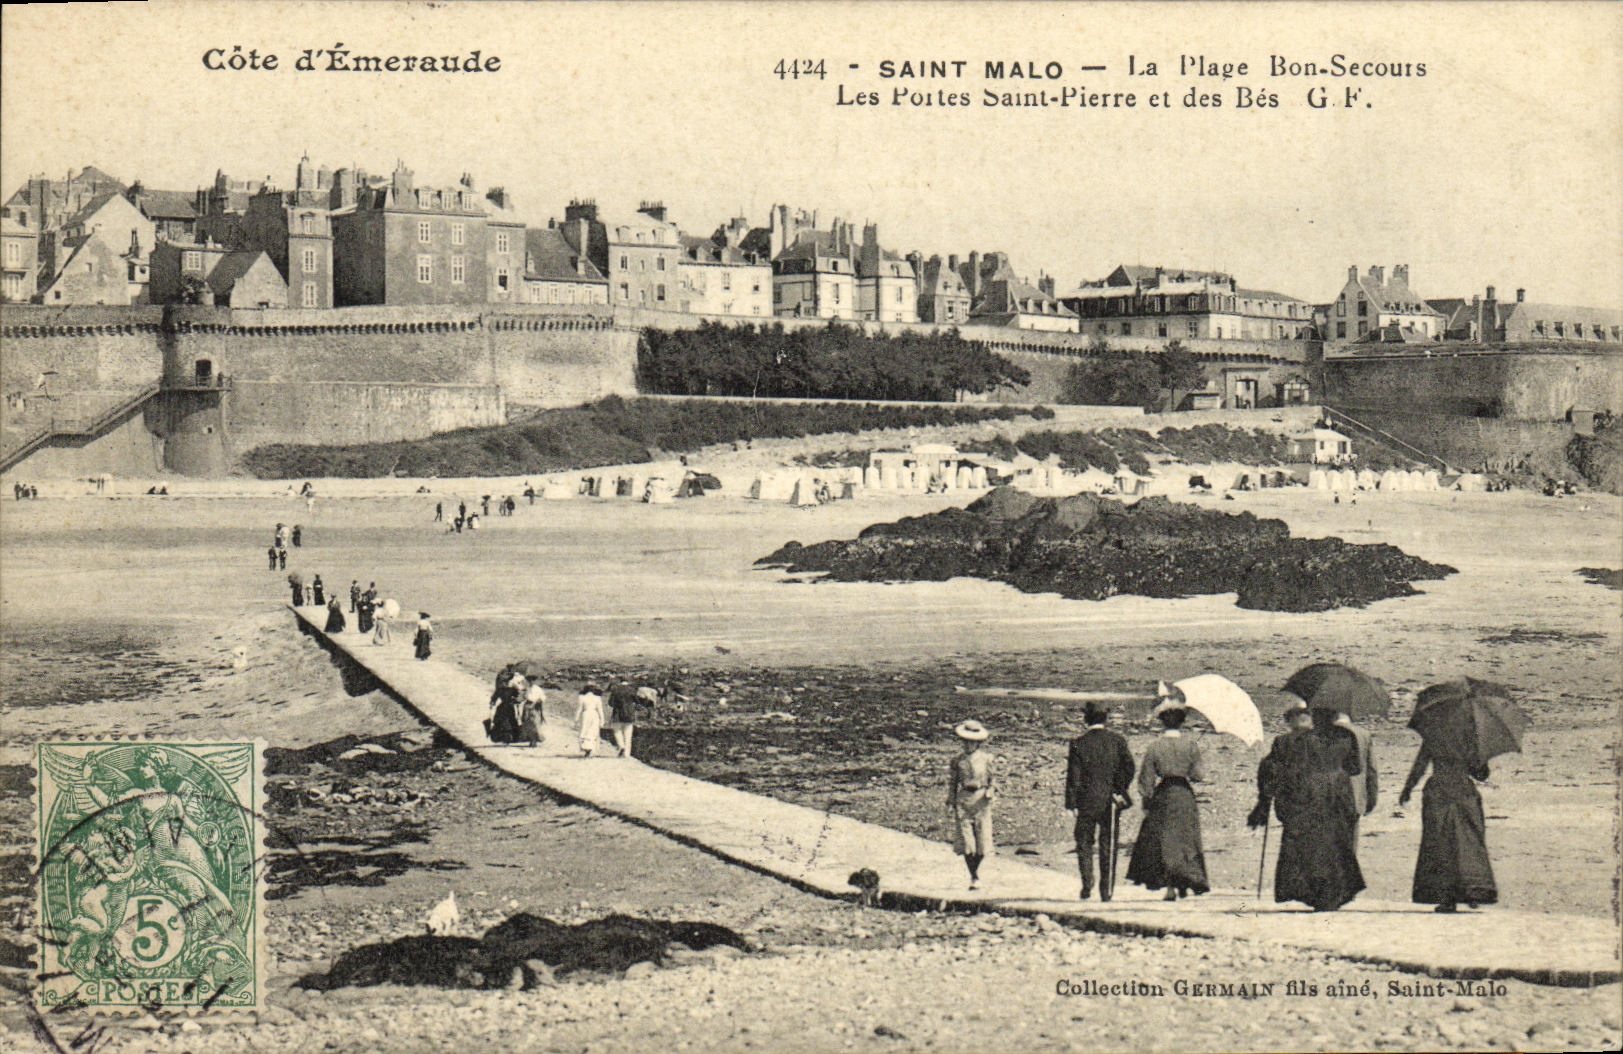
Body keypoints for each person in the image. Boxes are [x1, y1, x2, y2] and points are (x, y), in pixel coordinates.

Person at [1248, 707, 1366, 911]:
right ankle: (1335, 893)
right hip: (1338, 794)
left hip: (1305, 795)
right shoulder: (1347, 736)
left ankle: (1313, 893)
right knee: (1337, 844)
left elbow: (1275, 770)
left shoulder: (1292, 741)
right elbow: (1355, 768)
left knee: (1307, 845)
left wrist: (1265, 800)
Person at [1399, 744, 1497, 913]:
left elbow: (1420, 766)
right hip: (1464, 792)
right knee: (1469, 840)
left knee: (1439, 843)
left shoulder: (1433, 734)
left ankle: (1447, 898)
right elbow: (1481, 774)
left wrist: (1408, 789)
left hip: (1438, 791)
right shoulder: (1471, 739)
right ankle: (1472, 890)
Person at [1127, 704, 1210, 901]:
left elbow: (1146, 778)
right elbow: (1198, 775)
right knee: (1186, 839)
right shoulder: (1190, 745)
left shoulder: (1155, 746)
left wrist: (1146, 800)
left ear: (1162, 722)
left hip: (1163, 795)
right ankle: (1185, 881)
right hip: (1184, 795)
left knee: (1165, 841)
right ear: (1182, 722)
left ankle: (1171, 887)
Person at [1064, 703, 1135, 901]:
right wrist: (1118, 789)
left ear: (1086, 719)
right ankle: (1107, 891)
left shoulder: (1078, 743)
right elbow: (1129, 768)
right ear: (1106, 719)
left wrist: (1071, 803)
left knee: (1084, 842)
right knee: (1109, 845)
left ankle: (1087, 883)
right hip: (1110, 801)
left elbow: (1074, 777)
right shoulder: (1118, 741)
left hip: (1086, 800)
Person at [947, 720, 995, 890]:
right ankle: (974, 877)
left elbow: (993, 779)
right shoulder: (957, 761)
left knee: (982, 843)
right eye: (965, 741)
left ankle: (975, 872)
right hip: (964, 800)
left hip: (981, 801)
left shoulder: (987, 759)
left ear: (978, 743)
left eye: (971, 741)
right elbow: (953, 782)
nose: (968, 745)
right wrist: (950, 801)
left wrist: (991, 791)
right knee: (968, 843)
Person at [1336, 711, 1378, 836]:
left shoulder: (1321, 734)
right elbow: (1371, 770)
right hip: (1355, 796)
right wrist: (1371, 800)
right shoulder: (1363, 734)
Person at [486, 667, 523, 744]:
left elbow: (494, 698)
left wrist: (492, 703)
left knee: (505, 720)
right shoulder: (508, 689)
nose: (506, 683)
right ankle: (508, 737)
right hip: (507, 707)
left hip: (505, 707)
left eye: (507, 681)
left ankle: (505, 737)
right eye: (505, 681)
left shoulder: (507, 689)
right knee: (508, 720)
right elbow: (495, 697)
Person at [606, 680, 641, 758]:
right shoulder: (632, 690)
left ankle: (621, 745)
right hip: (629, 714)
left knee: (617, 731)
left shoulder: (615, 690)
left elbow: (610, 703)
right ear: (628, 682)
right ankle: (627, 754)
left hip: (617, 714)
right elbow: (638, 702)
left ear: (620, 682)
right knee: (628, 734)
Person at [576, 683, 606, 757]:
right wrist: (602, 720)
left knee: (584, 731)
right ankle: (591, 748)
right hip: (594, 715)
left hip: (585, 714)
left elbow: (579, 709)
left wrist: (576, 719)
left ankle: (586, 748)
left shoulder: (581, 697)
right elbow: (600, 710)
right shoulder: (597, 698)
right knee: (593, 731)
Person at [518, 677, 546, 748]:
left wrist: (538, 701)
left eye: (532, 680)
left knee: (535, 723)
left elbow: (543, 697)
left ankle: (534, 740)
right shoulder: (527, 688)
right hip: (527, 706)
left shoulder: (538, 689)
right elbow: (524, 696)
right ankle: (531, 740)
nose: (530, 682)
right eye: (529, 680)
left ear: (534, 680)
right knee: (527, 723)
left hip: (535, 707)